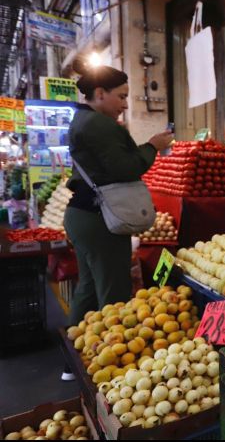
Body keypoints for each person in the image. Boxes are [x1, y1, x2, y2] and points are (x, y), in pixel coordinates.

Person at [62, 60, 173, 380]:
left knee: (87, 288)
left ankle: (72, 363)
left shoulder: (83, 120)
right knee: (114, 292)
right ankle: (114, 371)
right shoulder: (97, 124)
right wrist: (153, 145)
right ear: (99, 93)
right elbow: (125, 168)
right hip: (99, 220)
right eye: (121, 96)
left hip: (83, 215)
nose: (125, 104)